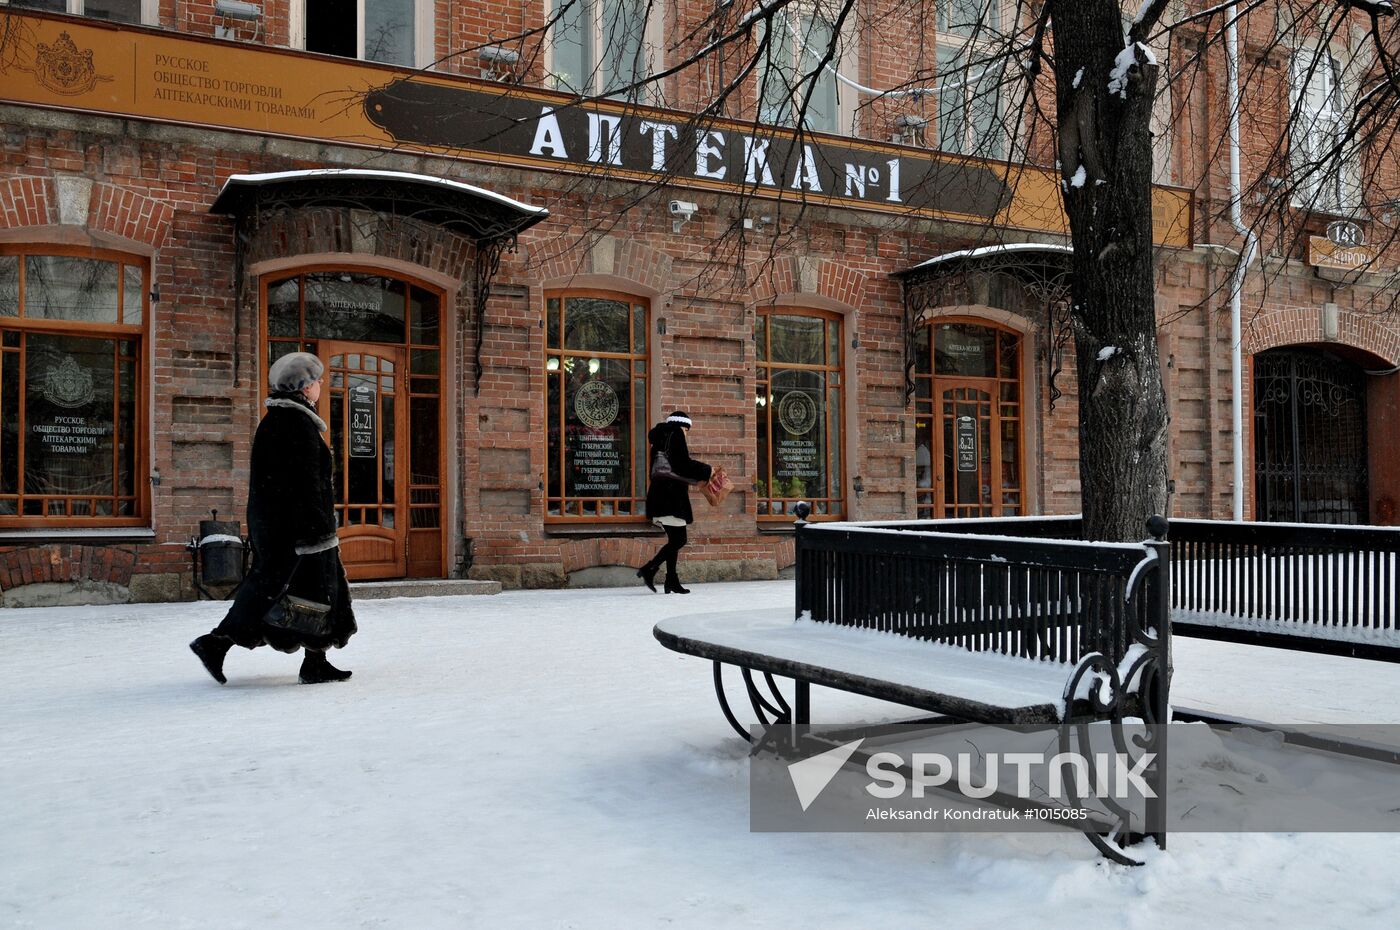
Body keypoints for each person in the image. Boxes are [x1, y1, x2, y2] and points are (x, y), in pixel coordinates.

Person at [189, 352, 357, 685]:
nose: (321, 385)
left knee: (313, 591)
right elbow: (304, 483)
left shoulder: (284, 420)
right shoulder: (295, 424)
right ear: (303, 387)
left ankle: (315, 660)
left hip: (288, 526)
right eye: (317, 380)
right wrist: (317, 529)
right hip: (298, 530)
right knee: (282, 590)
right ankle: (215, 642)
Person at [637, 411, 713, 594]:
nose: (687, 433)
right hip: (671, 497)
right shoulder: (676, 434)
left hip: (660, 494)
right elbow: (682, 464)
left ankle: (671, 580)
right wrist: (706, 469)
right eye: (687, 429)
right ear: (683, 426)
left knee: (674, 539)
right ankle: (649, 568)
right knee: (680, 539)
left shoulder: (660, 437)